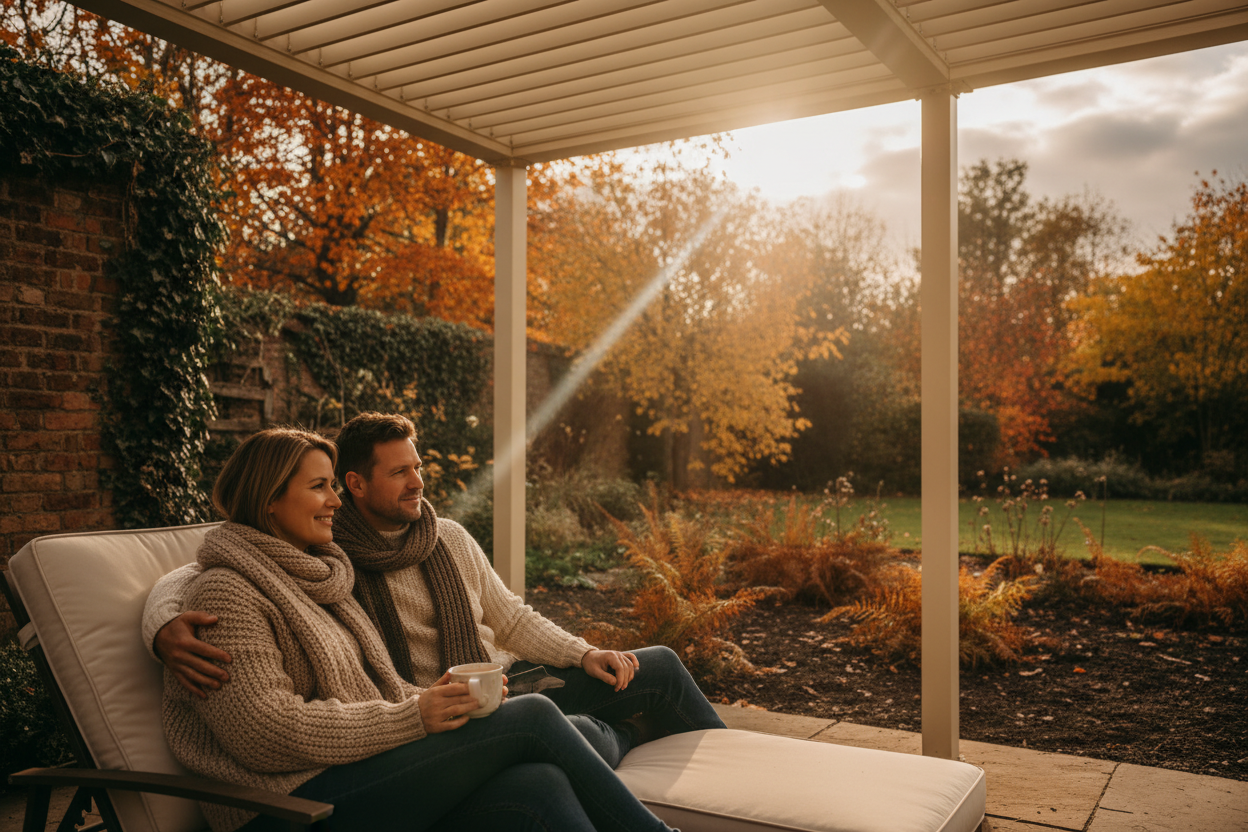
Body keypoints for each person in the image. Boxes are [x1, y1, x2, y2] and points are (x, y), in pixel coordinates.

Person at [165, 426, 680, 832]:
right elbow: (262, 734)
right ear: (268, 500)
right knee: (535, 717)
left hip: (351, 774)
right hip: (283, 807)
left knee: (539, 784)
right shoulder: (225, 594)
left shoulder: (321, 575)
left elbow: (382, 686)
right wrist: (413, 717)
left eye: (332, 486)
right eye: (319, 487)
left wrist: (436, 702)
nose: (336, 501)